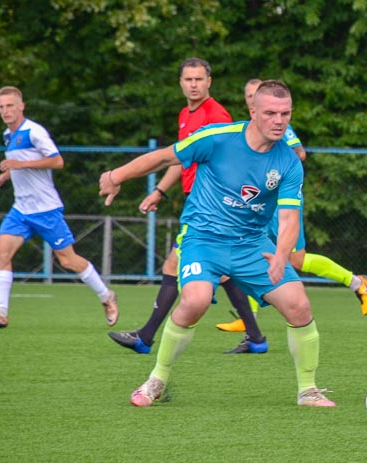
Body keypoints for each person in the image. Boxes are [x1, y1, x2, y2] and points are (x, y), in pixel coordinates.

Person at [99, 80, 336, 408]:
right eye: (270, 113)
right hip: (203, 240)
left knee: (299, 306)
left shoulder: (288, 162)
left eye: (285, 113)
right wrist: (116, 176)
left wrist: (281, 255)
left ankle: (308, 390)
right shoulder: (217, 138)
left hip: (251, 245)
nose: (279, 120)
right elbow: (163, 158)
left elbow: (289, 220)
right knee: (195, 300)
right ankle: (157, 380)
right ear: (253, 111)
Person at [106, 58, 268, 355]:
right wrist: (159, 191)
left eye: (198, 79)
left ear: (209, 81)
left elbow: (231, 161)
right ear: (180, 82)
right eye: (188, 79)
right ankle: (256, 338)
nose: (193, 84)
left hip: (212, 207)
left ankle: (144, 337)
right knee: (223, 272)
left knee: (175, 264)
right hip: (199, 202)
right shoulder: (186, 114)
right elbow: (182, 157)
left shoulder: (216, 115)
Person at [216, 79, 367, 340]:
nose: (251, 98)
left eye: (255, 93)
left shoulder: (280, 130)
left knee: (296, 260)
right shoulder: (246, 133)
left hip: (281, 205)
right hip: (257, 203)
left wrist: (274, 167)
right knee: (255, 251)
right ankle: (249, 318)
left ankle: (357, 282)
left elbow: (300, 153)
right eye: (248, 95)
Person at [0, 86, 119, 329]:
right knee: (1, 254)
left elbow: (57, 161)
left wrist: (20, 164)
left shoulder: (34, 131)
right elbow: (17, 165)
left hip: (45, 209)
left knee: (68, 261)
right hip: (21, 209)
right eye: (1, 107)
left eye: (10, 106)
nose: (5, 111)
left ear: (21, 106)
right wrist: (3, 177)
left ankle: (106, 296)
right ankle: (0, 312)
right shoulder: (7, 135)